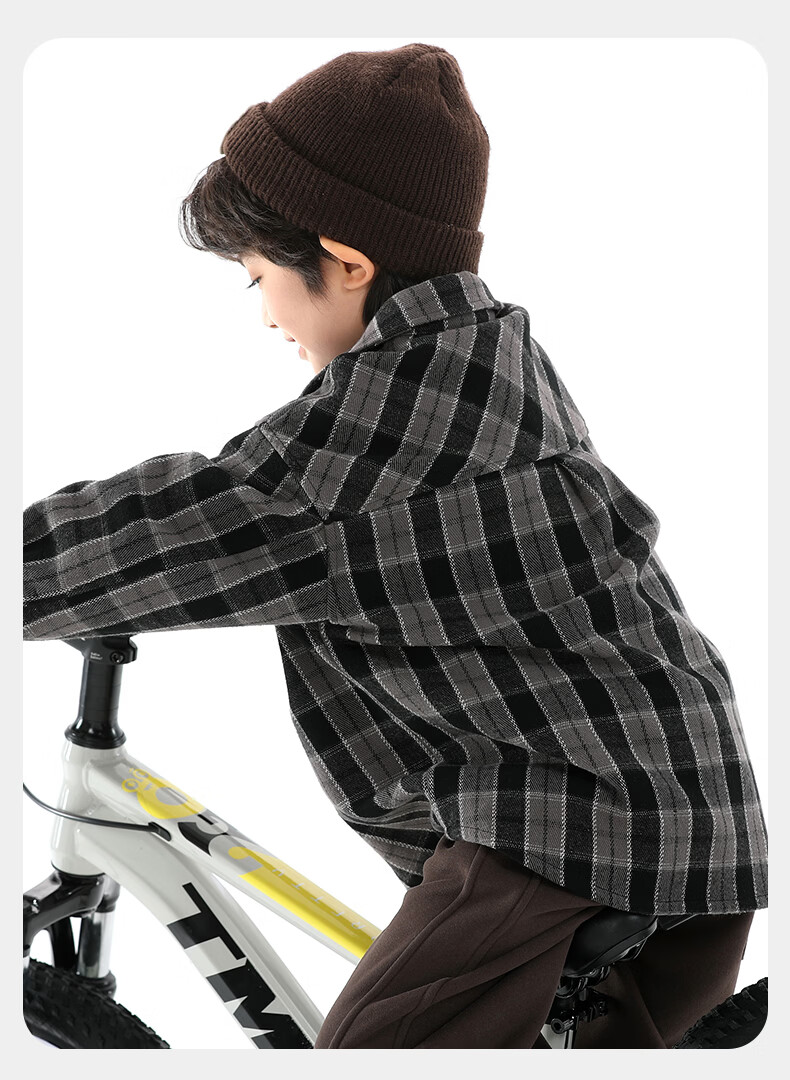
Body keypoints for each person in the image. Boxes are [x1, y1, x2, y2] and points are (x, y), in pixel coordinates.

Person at [22, 42, 767, 1048]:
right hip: (690, 820)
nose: (265, 314)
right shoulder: (490, 358)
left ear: (347, 263)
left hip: (569, 832)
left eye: (257, 278)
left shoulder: (374, 442)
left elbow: (171, 533)